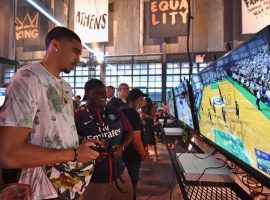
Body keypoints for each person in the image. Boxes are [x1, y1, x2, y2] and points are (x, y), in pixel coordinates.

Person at [0, 27, 99, 199]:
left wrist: (80, 144)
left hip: (68, 183)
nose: (78, 58)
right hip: (40, 186)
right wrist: (75, 154)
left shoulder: (66, 87)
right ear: (55, 45)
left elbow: (52, 131)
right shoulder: (28, 79)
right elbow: (8, 155)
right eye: (75, 51)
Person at [75, 79, 133, 200]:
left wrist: (122, 146)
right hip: (94, 181)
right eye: (98, 92)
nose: (104, 95)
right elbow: (71, 145)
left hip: (121, 174)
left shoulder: (116, 112)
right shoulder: (78, 117)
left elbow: (129, 132)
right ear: (87, 94)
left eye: (104, 92)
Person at [122, 88, 149, 200]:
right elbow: (135, 140)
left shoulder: (125, 111)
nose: (144, 101)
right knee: (132, 184)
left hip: (125, 154)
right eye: (143, 99)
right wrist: (143, 154)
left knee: (126, 183)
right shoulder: (133, 114)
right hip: (132, 156)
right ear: (139, 99)